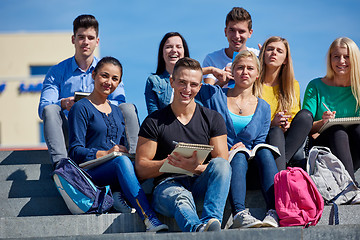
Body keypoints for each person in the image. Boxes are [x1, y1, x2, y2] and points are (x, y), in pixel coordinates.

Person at [68, 57, 168, 232]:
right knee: (121, 162)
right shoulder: (81, 108)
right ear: (93, 75)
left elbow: (120, 146)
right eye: (104, 76)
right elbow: (75, 152)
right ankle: (149, 217)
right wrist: (106, 153)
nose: (109, 82)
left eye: (115, 79)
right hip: (90, 173)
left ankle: (119, 195)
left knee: (143, 161)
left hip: (116, 169)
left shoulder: (117, 111)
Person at [136, 57, 231, 232]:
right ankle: (199, 230)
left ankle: (211, 221)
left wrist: (193, 168)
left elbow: (221, 164)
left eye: (194, 84)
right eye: (182, 82)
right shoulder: (153, 121)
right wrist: (171, 163)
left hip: (199, 183)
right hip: (167, 187)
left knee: (222, 165)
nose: (187, 89)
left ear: (200, 86)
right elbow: (141, 168)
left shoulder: (213, 118)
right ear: (172, 82)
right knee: (181, 196)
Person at [196, 50, 279, 228]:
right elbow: (185, 79)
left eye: (250, 68)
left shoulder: (264, 107)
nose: (245, 72)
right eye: (240, 68)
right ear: (232, 72)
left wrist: (249, 150)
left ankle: (274, 211)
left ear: (257, 75)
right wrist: (210, 70)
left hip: (252, 168)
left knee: (263, 150)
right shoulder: (215, 95)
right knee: (238, 155)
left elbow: (259, 141)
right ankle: (239, 213)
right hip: (225, 165)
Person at [38, 14, 126, 167]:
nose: (86, 42)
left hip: (100, 131)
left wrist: (96, 105)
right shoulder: (56, 71)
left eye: (90, 38)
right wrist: (64, 104)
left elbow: (119, 103)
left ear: (97, 41)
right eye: (81, 37)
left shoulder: (109, 70)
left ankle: (134, 159)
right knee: (51, 109)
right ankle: (62, 165)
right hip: (70, 131)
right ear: (73, 39)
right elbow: (43, 108)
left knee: (128, 108)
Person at [303, 37, 360, 182]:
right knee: (337, 130)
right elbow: (305, 128)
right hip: (325, 147)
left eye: (346, 57)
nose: (341, 61)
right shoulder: (315, 86)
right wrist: (323, 122)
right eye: (336, 57)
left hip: (353, 151)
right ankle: (350, 187)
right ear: (330, 60)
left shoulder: (358, 89)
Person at [257, 36, 313, 170]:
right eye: (270, 49)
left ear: (285, 60)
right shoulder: (254, 84)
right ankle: (282, 170)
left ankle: (283, 163)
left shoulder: (292, 85)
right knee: (275, 131)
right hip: (264, 136)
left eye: (279, 51)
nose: (274, 53)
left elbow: (294, 115)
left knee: (306, 116)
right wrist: (272, 123)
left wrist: (286, 123)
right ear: (263, 53)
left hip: (287, 138)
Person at [145, 32, 231, 115]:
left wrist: (220, 79)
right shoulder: (154, 81)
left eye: (178, 47)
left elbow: (209, 99)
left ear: (184, 52)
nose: (174, 50)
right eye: (169, 47)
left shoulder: (196, 82)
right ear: (162, 52)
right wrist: (210, 69)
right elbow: (153, 116)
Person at [202, 7, 260, 86]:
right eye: (232, 30)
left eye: (241, 31)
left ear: (250, 33)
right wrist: (223, 80)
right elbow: (208, 94)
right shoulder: (212, 59)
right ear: (225, 32)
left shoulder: (258, 56)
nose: (236, 36)